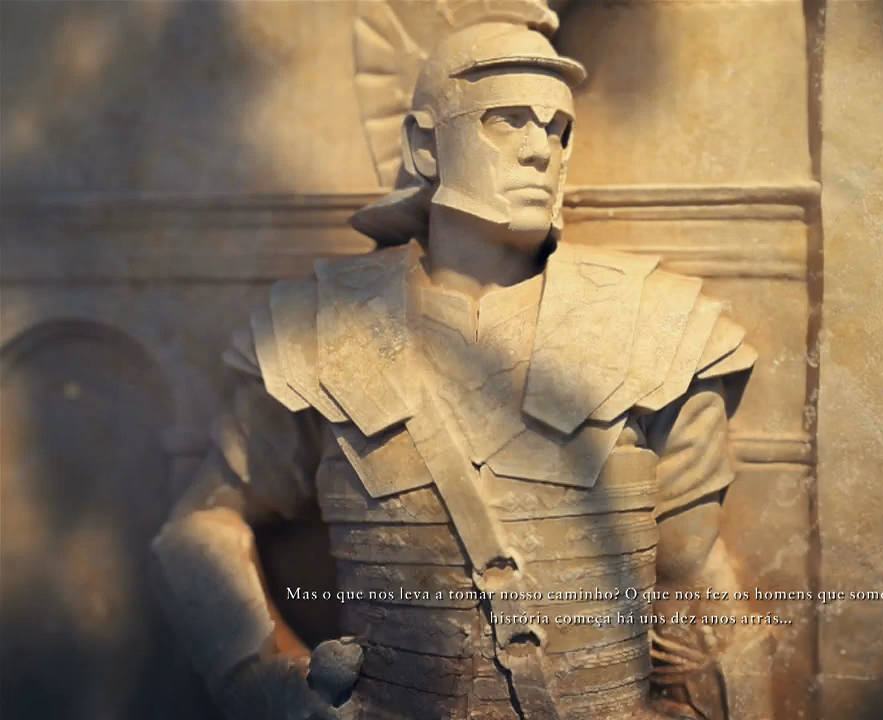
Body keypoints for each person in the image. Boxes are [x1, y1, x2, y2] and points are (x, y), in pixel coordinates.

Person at [152, 12, 771, 720]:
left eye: (558, 129)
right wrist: (263, 685)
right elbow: (202, 527)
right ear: (424, 145)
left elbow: (697, 591)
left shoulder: (657, 326)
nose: (541, 151)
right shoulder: (318, 328)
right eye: (508, 120)